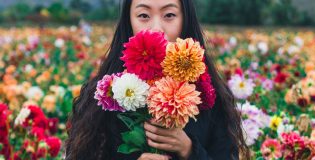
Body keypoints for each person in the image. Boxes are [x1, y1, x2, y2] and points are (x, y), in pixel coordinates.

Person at [65, 0, 250, 159]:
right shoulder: (105, 95)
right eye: (144, 15)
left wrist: (189, 151)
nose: (156, 29)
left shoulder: (211, 96)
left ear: (186, 20)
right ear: (128, 22)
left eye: (169, 15)